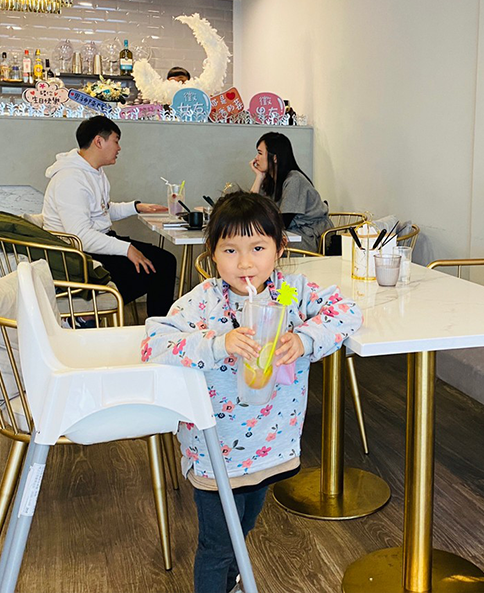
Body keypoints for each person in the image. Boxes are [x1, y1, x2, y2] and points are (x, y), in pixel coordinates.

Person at [142, 192, 361, 593]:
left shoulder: (290, 293)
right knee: (217, 545)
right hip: (215, 451)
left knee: (243, 528)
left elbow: (346, 311)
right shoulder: (204, 302)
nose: (244, 263)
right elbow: (154, 343)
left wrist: (305, 339)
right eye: (230, 250)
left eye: (258, 248)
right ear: (212, 253)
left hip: (270, 445)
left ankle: (229, 582)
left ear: (280, 248)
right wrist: (217, 344)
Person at [42, 115, 177, 317]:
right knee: (158, 268)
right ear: (99, 141)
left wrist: (137, 207)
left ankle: (153, 325)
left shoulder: (94, 172)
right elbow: (80, 236)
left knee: (164, 261)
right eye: (116, 141)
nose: (119, 148)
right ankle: (90, 313)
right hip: (78, 256)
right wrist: (127, 249)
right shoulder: (70, 179)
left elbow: (102, 210)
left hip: (97, 244)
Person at [249, 132, 332, 252]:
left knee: (261, 248)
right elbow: (251, 210)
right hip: (289, 234)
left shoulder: (294, 180)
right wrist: (259, 177)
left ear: (275, 158)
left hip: (310, 237)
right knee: (254, 245)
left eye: (260, 153)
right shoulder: (270, 181)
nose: (256, 158)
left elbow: (282, 223)